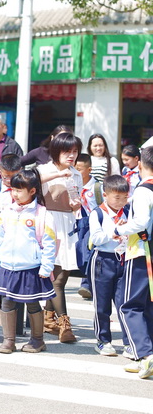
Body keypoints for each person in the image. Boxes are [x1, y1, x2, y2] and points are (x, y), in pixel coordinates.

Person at [0, 169, 56, 354]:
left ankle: (37, 340)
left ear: (32, 191)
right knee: (7, 303)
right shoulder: (7, 211)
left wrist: (46, 267)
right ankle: (8, 340)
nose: (15, 194)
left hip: (31, 268)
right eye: (13, 190)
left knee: (32, 303)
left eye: (19, 190)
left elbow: (50, 244)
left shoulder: (42, 214)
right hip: (7, 266)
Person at [37, 133, 83, 343]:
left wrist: (76, 205)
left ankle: (48, 319)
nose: (72, 156)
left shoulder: (76, 174)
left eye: (75, 152)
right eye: (67, 151)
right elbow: (33, 183)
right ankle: (64, 323)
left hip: (68, 224)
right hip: (49, 224)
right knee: (55, 277)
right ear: (57, 151)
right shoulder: (45, 169)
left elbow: (77, 200)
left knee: (61, 275)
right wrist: (58, 176)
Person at [114, 146, 153, 379]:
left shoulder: (142, 190)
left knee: (129, 305)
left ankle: (145, 355)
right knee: (148, 306)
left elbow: (140, 222)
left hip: (141, 253)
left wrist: (119, 229)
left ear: (140, 164)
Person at [87, 175, 131, 357]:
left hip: (124, 259)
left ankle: (130, 342)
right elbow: (95, 238)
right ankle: (103, 340)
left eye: (125, 197)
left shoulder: (128, 211)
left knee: (125, 304)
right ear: (105, 195)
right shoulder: (97, 213)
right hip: (102, 261)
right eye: (117, 198)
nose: (121, 202)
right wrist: (114, 231)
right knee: (102, 304)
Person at [74, 153, 103, 300]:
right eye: (74, 167)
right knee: (79, 252)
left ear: (89, 169)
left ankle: (86, 284)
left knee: (88, 252)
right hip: (76, 222)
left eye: (79, 168)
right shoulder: (72, 184)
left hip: (91, 222)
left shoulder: (97, 187)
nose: (76, 171)